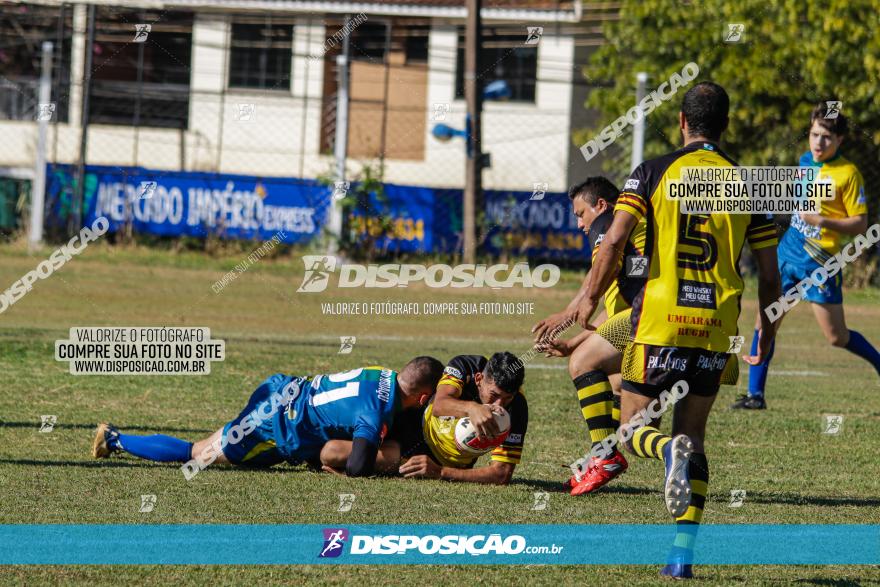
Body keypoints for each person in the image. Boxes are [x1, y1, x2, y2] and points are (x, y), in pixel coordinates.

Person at [575, 82, 781, 579]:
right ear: (724, 126)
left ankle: (665, 451)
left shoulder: (651, 171)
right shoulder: (746, 182)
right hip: (715, 328)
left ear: (683, 123)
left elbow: (614, 241)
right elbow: (771, 276)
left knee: (634, 431)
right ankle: (681, 558)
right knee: (696, 434)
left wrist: (586, 298)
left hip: (659, 322)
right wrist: (766, 335)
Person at [733, 102, 880, 409]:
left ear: (839, 140)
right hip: (788, 255)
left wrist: (823, 221)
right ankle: (755, 395)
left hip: (821, 263)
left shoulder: (848, 174)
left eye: (826, 137)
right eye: (814, 134)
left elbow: (861, 224)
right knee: (765, 322)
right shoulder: (803, 162)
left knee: (836, 337)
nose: (818, 142)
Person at [92, 356, 443, 478]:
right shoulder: (378, 410)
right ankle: (115, 440)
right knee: (198, 454)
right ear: (423, 396)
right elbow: (358, 465)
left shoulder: (380, 372)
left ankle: (117, 439)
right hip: (275, 427)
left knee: (202, 448)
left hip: (283, 388)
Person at [322, 352, 527, 485]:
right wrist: (472, 408)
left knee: (333, 453)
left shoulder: (515, 407)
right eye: (493, 395)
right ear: (479, 379)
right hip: (414, 416)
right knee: (364, 415)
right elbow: (439, 405)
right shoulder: (466, 366)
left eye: (507, 398)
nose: (498, 405)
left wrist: (440, 471)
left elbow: (501, 474)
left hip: (428, 455)